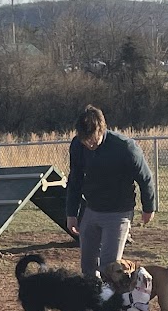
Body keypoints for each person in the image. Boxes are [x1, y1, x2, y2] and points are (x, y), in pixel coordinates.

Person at [64, 105, 156, 280]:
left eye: (92, 139)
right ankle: (94, 304)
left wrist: (148, 208)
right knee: (87, 265)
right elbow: (75, 179)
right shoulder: (77, 146)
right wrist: (71, 213)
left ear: (101, 130)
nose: (88, 144)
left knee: (109, 267)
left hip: (118, 211)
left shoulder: (125, 148)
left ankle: (112, 305)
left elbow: (145, 178)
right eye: (84, 140)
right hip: (91, 209)